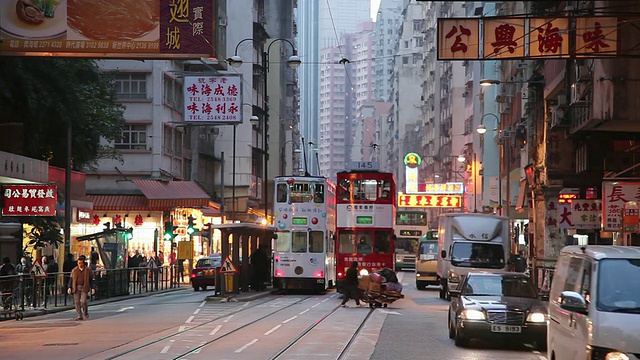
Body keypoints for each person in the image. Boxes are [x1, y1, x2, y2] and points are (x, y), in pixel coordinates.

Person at [67, 255, 95, 320]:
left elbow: (91, 280)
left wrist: (93, 288)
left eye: (81, 263)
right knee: (77, 302)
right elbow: (71, 279)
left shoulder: (88, 270)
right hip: (76, 287)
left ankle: (85, 312)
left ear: (83, 263)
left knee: (83, 301)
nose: (80, 264)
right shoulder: (74, 270)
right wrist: (69, 287)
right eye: (79, 263)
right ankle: (79, 315)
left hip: (84, 287)